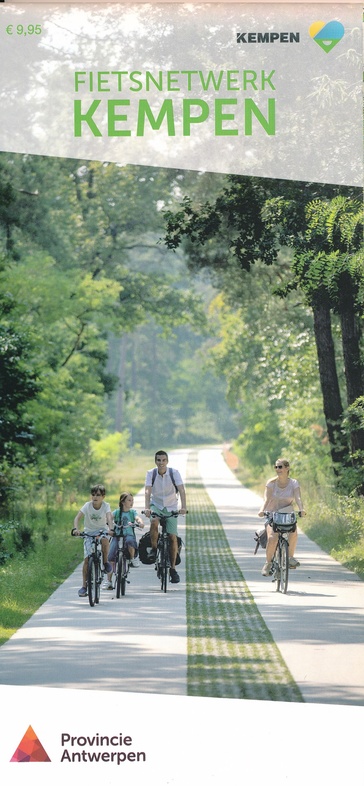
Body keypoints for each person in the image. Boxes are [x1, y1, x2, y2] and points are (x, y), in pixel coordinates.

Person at [144, 450, 187, 584]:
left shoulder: (174, 473)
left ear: (167, 461)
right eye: (158, 460)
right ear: (155, 461)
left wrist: (183, 507)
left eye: (163, 460)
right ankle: (154, 548)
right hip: (156, 504)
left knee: (172, 537)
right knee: (154, 522)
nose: (161, 463)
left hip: (171, 506)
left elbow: (181, 490)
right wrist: (147, 508)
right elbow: (147, 491)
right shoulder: (151, 474)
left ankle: (173, 569)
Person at [258, 458, 306, 577]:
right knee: (273, 538)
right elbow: (267, 499)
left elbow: (298, 498)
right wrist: (262, 510)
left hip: (287, 513)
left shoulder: (294, 483)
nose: (277, 469)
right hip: (272, 513)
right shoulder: (271, 483)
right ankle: (268, 564)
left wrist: (301, 509)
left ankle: (290, 558)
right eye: (276, 467)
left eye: (280, 467)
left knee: (293, 532)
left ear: (287, 468)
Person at [72, 483, 114, 597]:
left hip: (101, 531)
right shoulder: (87, 505)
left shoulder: (106, 506)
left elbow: (109, 517)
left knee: (105, 540)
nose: (95, 497)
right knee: (86, 560)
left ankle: (105, 562)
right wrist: (76, 529)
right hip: (89, 532)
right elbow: (77, 518)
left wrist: (111, 528)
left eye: (98, 495)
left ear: (103, 496)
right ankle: (84, 586)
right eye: (93, 494)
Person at [104, 492, 145, 589]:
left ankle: (132, 558)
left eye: (132, 501)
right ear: (123, 502)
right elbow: (110, 517)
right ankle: (108, 581)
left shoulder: (132, 512)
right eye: (129, 500)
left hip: (128, 534)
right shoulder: (117, 512)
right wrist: (108, 521)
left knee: (130, 542)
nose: (131, 503)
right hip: (117, 535)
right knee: (111, 556)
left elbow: (137, 518)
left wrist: (140, 523)